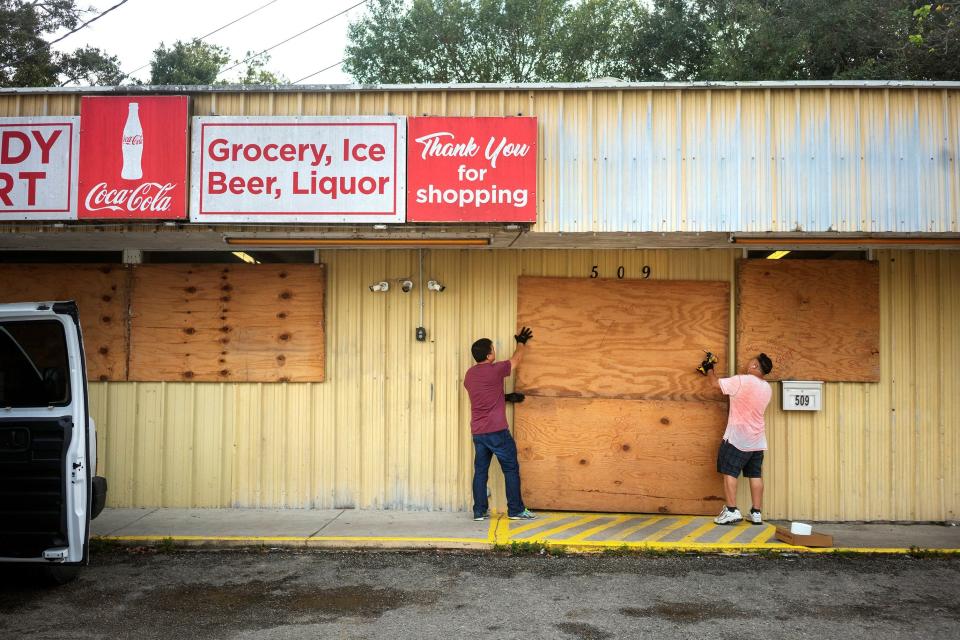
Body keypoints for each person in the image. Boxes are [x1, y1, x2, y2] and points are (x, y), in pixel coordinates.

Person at [463, 327, 536, 521]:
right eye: (493, 349)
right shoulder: (495, 370)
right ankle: (516, 510)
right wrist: (521, 342)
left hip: (478, 432)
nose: (495, 352)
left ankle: (479, 511)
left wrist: (506, 397)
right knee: (510, 469)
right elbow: (516, 360)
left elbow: (485, 396)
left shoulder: (469, 375)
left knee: (480, 471)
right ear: (489, 355)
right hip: (497, 431)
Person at [704, 353, 773, 525]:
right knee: (755, 474)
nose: (747, 364)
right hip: (757, 440)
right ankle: (756, 512)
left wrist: (709, 369)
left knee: (730, 472)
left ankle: (732, 510)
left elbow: (714, 384)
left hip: (738, 438)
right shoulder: (767, 388)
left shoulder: (742, 380)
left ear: (755, 366)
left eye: (751, 362)